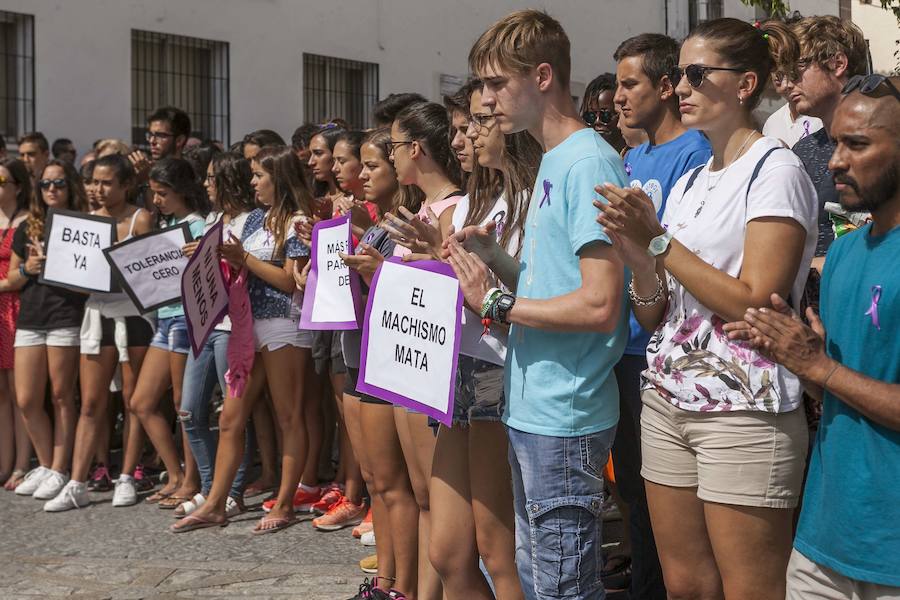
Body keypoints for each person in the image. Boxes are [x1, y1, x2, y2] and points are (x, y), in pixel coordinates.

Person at [596, 18, 818, 599]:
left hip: (743, 407)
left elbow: (754, 300)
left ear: (745, 85)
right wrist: (640, 259)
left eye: (696, 74)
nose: (681, 87)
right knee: (686, 585)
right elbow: (658, 316)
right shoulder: (695, 179)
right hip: (669, 397)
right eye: (677, 75)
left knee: (750, 588)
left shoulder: (777, 169)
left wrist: (660, 243)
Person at [450, 10, 628, 599]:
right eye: (482, 85)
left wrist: (496, 302)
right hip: (536, 406)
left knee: (564, 590)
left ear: (543, 75)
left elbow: (601, 304)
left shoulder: (587, 160)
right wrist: (497, 263)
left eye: (497, 83)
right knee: (541, 580)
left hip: (566, 411)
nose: (487, 99)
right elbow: (553, 286)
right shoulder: (554, 159)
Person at [726, 75, 900, 599]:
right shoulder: (846, 253)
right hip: (823, 543)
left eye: (858, 144)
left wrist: (820, 366)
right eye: (835, 142)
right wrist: (796, 359)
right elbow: (841, 396)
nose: (835, 161)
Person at [427, 80, 539, 600]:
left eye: (476, 122)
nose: (465, 137)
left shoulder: (534, 198)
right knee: (448, 550)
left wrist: (482, 275)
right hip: (459, 366)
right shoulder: (474, 202)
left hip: (500, 369)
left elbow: (536, 293)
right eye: (464, 124)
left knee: (499, 550)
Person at [610, 31, 712, 599]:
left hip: (662, 345)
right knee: (634, 490)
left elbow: (675, 250)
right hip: (619, 342)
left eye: (631, 84)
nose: (620, 98)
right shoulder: (633, 156)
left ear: (667, 86)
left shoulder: (694, 152)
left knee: (666, 499)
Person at [172, 145, 315, 534]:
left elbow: (289, 280)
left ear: (278, 178)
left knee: (289, 415)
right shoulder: (253, 220)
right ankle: (217, 502)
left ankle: (285, 503)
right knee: (231, 416)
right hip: (246, 326)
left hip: (285, 323)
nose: (251, 182)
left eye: (258, 175)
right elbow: (237, 267)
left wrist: (243, 259)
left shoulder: (298, 221)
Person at [43, 153, 155, 511]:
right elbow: (78, 283)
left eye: (107, 182)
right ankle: (76, 482)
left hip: (134, 316)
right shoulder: (86, 224)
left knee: (133, 401)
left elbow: (149, 273)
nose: (99, 189)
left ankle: (126, 476)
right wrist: (59, 266)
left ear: (125, 184)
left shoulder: (140, 218)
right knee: (91, 402)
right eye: (94, 182)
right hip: (97, 314)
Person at [338, 127, 422, 599]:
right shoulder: (378, 223)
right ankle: (384, 580)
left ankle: (402, 587)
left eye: (373, 166)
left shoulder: (407, 223)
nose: (362, 174)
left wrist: (375, 273)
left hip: (394, 359)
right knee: (379, 482)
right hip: (365, 354)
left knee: (398, 486)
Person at [171, 152, 257, 522]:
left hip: (232, 328)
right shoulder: (212, 219)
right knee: (189, 409)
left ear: (228, 181)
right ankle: (210, 487)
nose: (206, 185)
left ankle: (231, 491)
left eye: (211, 178)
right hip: (205, 326)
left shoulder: (253, 220)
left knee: (231, 415)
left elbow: (251, 263)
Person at [125, 158, 210, 511]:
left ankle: (192, 481)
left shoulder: (197, 225)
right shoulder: (168, 223)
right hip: (163, 319)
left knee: (182, 406)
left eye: (162, 194)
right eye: (153, 193)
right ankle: (175, 474)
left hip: (185, 320)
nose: (156, 200)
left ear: (182, 192)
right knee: (141, 402)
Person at [4, 161, 87, 503]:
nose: (51, 189)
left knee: (62, 396)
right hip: (31, 316)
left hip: (65, 314)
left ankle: (59, 468)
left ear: (71, 187)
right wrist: (28, 267)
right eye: (46, 184)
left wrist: (63, 264)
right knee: (26, 399)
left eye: (59, 183)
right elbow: (11, 276)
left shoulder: (84, 225)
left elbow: (91, 280)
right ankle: (49, 464)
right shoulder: (28, 226)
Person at [788, 16, 867, 267]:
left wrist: (806, 268)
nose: (788, 82)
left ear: (838, 64)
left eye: (798, 68)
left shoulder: (884, 147)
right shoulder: (802, 149)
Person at [0, 159, 32, 492]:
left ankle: (23, 463)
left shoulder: (25, 222)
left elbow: (20, 277)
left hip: (15, 309)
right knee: (0, 394)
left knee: (20, 392)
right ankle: (4, 462)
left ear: (18, 186)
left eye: (2, 179)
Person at [581, 74, 627, 154]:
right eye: (590, 116)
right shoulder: (581, 156)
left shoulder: (635, 157)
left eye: (606, 115)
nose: (597, 121)